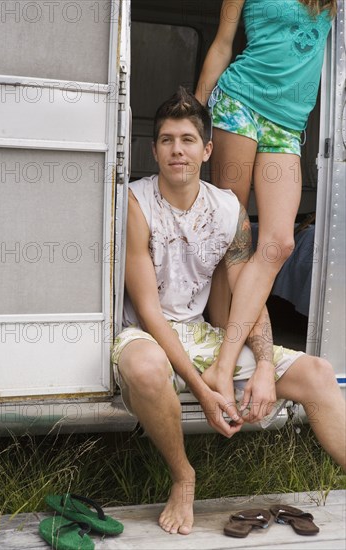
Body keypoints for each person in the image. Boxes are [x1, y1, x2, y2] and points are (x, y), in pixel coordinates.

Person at [112, 88, 346, 535]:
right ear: (154, 149)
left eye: (186, 139)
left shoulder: (228, 208)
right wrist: (205, 390)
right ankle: (183, 477)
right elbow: (148, 310)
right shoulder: (135, 204)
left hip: (199, 334)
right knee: (143, 366)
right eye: (166, 140)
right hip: (145, 333)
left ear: (207, 149)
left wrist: (261, 366)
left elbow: (248, 294)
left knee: (317, 372)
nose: (176, 150)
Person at [194, 0, 337, 393]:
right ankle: (223, 355)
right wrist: (194, 113)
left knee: (279, 243)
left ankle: (227, 360)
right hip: (239, 103)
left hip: (287, 124)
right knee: (232, 235)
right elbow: (223, 44)